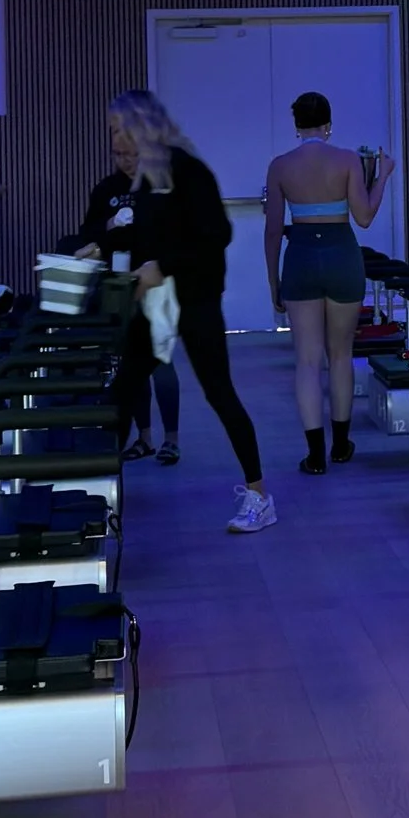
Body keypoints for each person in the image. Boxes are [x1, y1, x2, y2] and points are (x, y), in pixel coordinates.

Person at [104, 89, 273, 533]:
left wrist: (161, 266)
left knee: (219, 392)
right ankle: (102, 493)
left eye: (120, 130)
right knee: (123, 389)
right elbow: (149, 239)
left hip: (196, 299)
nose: (116, 141)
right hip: (157, 304)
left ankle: (259, 495)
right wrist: (106, 250)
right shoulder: (145, 179)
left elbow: (216, 234)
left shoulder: (187, 170)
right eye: (113, 133)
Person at [262, 90, 395, 475]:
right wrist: (382, 176)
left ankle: (315, 454)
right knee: (340, 354)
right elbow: (364, 217)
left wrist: (274, 282)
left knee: (307, 360)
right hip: (342, 255)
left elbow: (273, 231)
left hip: (301, 257)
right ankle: (340, 445)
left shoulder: (280, 166)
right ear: (328, 125)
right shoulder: (348, 160)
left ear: (296, 126)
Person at [66, 144, 182, 464]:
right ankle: (144, 437)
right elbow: (88, 235)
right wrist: (110, 225)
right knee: (132, 362)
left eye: (132, 154)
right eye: (120, 154)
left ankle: (171, 440)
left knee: (162, 360)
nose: (127, 160)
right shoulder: (106, 189)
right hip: (119, 283)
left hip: (157, 282)